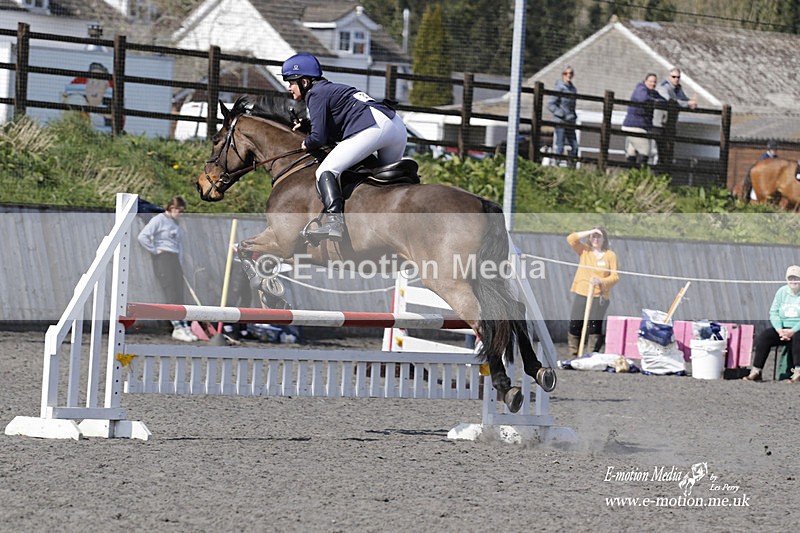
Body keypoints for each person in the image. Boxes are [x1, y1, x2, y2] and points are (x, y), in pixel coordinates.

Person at [281, 53, 408, 242]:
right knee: (387, 184)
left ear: (305, 82)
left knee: (325, 170)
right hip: (396, 127)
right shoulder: (328, 89)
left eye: (291, 82)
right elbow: (331, 123)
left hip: (374, 127)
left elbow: (319, 138)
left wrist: (306, 143)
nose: (289, 88)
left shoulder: (315, 94)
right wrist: (308, 126)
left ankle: (335, 224)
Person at [137, 195, 196, 342]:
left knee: (179, 293)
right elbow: (143, 236)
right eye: (179, 211)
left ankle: (184, 325)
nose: (181, 214)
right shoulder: (159, 220)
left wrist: (180, 262)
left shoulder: (176, 223)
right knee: (171, 293)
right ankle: (177, 327)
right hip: (163, 259)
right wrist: (155, 250)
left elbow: (179, 245)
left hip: (175, 259)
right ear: (171, 208)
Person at [566, 226, 619, 357]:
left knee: (594, 325)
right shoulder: (585, 251)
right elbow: (571, 239)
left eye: (598, 236)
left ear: (604, 239)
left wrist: (601, 281)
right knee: (575, 323)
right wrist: (590, 231)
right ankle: (573, 354)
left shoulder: (610, 255)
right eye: (593, 236)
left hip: (599, 295)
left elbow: (615, 276)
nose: (595, 239)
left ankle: (591, 354)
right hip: (582, 292)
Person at [743, 265, 800, 382]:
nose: (793, 281)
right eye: (791, 278)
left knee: (798, 338)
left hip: (797, 329)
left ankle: (798, 371)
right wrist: (780, 330)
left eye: (796, 278)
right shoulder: (781, 292)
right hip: (782, 329)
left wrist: (793, 330)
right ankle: (756, 370)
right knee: (764, 336)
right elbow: (773, 313)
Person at [622, 73, 667, 166]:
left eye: (654, 82)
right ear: (645, 81)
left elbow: (663, 101)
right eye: (650, 81)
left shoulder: (652, 93)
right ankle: (641, 175)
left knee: (632, 152)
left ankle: (631, 175)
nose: (653, 84)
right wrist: (654, 101)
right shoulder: (641, 89)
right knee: (645, 150)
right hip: (635, 126)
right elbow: (642, 98)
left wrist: (661, 102)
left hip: (640, 126)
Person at [653, 67, 697, 165]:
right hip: (660, 125)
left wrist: (692, 103)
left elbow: (684, 100)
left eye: (678, 77)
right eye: (674, 77)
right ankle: (659, 174)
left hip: (670, 125)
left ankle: (665, 175)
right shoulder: (663, 87)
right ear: (669, 77)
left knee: (669, 152)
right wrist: (688, 103)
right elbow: (670, 101)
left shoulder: (678, 89)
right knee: (660, 152)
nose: (676, 79)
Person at [546, 66, 578, 165]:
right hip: (560, 121)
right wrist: (561, 114)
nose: (569, 75)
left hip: (570, 121)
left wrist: (574, 115)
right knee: (560, 145)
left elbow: (572, 106)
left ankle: (571, 166)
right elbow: (550, 104)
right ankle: (557, 165)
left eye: (571, 73)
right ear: (563, 75)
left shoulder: (573, 89)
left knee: (575, 146)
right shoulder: (559, 87)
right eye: (566, 73)